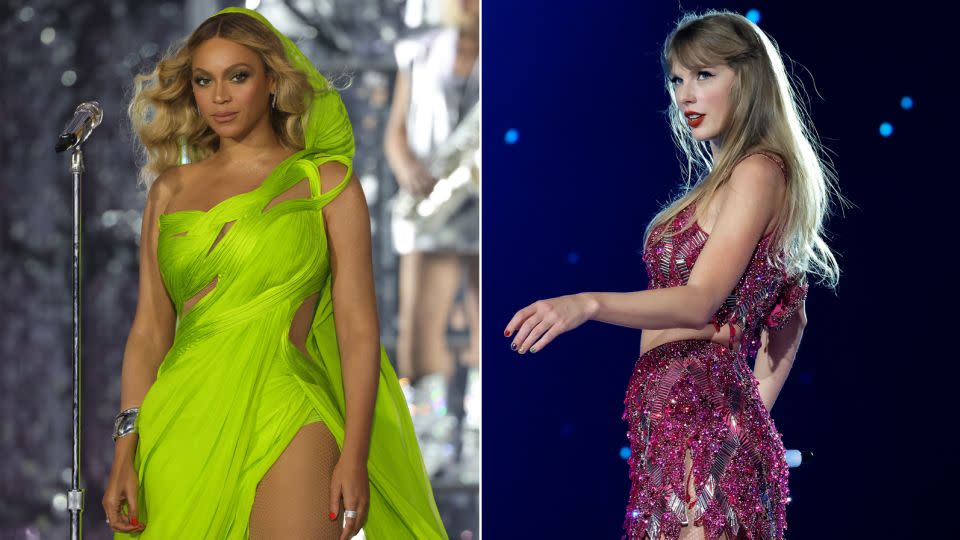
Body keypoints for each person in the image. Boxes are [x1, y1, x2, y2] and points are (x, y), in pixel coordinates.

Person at [103, 7, 446, 539]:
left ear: (271, 81)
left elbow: (358, 330)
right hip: (181, 420)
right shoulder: (169, 191)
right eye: (203, 80)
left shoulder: (326, 184)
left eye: (237, 77)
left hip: (289, 409)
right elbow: (149, 332)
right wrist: (125, 449)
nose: (219, 96)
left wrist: (354, 454)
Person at [504, 10, 845, 540]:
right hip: (671, 435)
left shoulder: (758, 170)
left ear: (748, 78)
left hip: (702, 430)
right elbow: (791, 316)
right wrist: (742, 418)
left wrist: (586, 304)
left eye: (704, 75)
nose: (686, 94)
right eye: (677, 79)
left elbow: (699, 302)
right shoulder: (725, 180)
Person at [384, 0, 480, 479]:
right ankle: (430, 434)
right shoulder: (419, 48)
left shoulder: (514, 49)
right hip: (432, 202)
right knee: (420, 326)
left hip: (489, 204)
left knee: (496, 324)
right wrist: (405, 168)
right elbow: (395, 128)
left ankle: (482, 435)